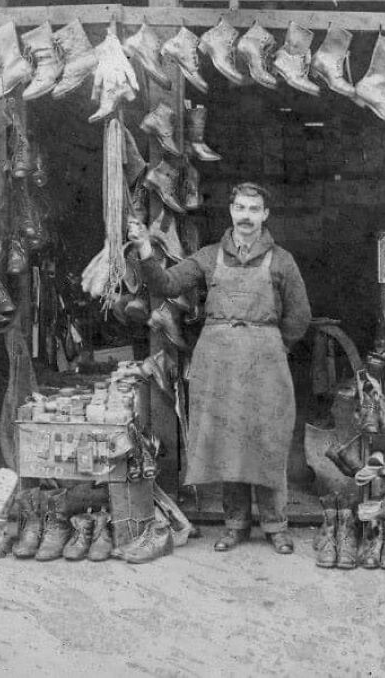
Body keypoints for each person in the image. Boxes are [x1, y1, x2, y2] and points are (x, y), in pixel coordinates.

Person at [129, 181, 311, 554]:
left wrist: (274, 346)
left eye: (253, 209)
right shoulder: (210, 256)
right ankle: (235, 525)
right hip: (220, 364)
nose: (246, 216)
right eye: (240, 208)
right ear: (231, 212)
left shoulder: (282, 260)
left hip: (265, 362)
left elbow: (299, 316)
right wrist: (146, 249)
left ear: (265, 215)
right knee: (229, 441)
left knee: (267, 439)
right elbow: (166, 284)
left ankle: (276, 526)